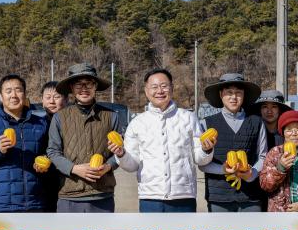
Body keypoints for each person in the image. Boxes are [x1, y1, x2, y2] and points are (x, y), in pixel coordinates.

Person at [109, 68, 215, 212]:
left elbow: (200, 158)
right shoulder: (137, 123)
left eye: (164, 86)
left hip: (183, 196)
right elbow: (132, 165)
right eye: (154, 87)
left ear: (172, 88)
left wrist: (206, 149)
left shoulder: (188, 118)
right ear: (146, 91)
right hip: (150, 197)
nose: (160, 91)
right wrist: (121, 154)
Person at [47, 63, 121, 213]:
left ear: (95, 86)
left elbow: (120, 152)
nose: (84, 88)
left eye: (89, 83)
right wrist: (74, 169)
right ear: (71, 88)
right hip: (69, 195)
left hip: (102, 196)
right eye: (78, 84)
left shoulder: (112, 116)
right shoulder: (60, 117)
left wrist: (108, 166)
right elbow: (53, 152)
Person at [0, 74, 49, 212]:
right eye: (8, 91)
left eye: (18, 90)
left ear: (24, 94)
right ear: (1, 96)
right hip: (1, 204)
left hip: (35, 202)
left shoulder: (40, 124)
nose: (14, 95)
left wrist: (46, 163)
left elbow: (51, 153)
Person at [199, 73, 266, 212]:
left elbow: (263, 156)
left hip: (251, 197)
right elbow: (202, 163)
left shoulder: (257, 122)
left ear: (244, 95)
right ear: (220, 94)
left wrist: (251, 174)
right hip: (218, 196)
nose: (234, 97)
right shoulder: (206, 123)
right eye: (229, 93)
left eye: (238, 93)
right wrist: (222, 169)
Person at [40, 81, 66, 212]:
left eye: (56, 97)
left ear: (65, 99)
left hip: (68, 181)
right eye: (48, 97)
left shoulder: (72, 123)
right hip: (43, 184)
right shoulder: (37, 125)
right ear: (42, 101)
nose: (52, 101)